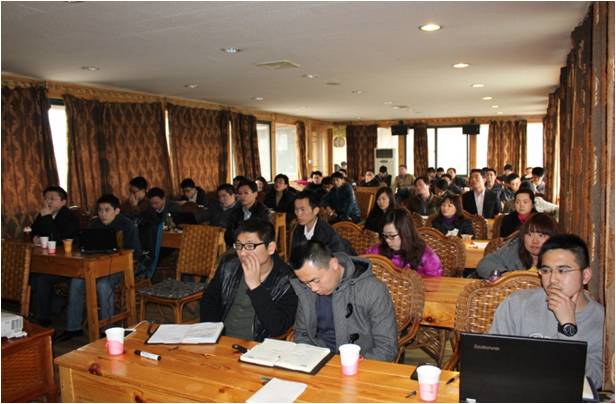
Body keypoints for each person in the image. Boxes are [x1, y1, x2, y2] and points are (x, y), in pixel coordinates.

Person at [490, 234, 604, 388]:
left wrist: (568, 328)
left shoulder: (602, 321)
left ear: (585, 276)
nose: (552, 279)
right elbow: (492, 359)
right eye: (546, 270)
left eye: (562, 271)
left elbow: (594, 381)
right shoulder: (516, 304)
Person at [289, 240, 398, 361]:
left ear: (334, 264)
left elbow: (387, 348)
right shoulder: (306, 290)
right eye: (306, 283)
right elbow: (302, 334)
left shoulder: (373, 290)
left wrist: (352, 362)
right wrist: (309, 359)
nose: (313, 288)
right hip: (318, 360)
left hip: (360, 362)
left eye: (316, 280)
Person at [55, 194, 142, 341]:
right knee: (76, 281)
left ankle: (107, 329)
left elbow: (136, 253)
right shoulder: (94, 224)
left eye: (107, 210)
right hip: (95, 266)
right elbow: (86, 246)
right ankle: (73, 327)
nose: (103, 214)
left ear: (116, 211)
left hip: (119, 268)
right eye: (100, 210)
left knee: (103, 285)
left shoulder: (127, 225)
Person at [200, 219, 298, 341]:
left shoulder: (288, 281)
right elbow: (209, 301)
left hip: (257, 345)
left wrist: (255, 287)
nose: (242, 253)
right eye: (239, 245)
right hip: (220, 339)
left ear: (270, 248)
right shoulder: (229, 266)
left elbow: (277, 327)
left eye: (250, 246)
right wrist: (213, 333)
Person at [30, 186, 80, 327]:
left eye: (52, 199)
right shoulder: (43, 214)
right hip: (47, 260)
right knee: (31, 275)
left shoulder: (70, 218)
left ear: (63, 202)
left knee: (42, 279)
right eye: (46, 199)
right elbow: (33, 230)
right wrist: (35, 237)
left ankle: (43, 320)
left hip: (66, 264)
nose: (48, 202)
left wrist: (47, 218)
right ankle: (52, 306)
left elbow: (58, 239)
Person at [476, 213, 558, 279]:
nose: (535, 241)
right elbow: (484, 264)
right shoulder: (514, 248)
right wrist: (505, 275)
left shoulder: (559, 256)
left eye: (541, 235)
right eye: (529, 234)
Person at [365, 208, 443, 276]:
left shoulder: (426, 256)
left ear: (405, 233)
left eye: (391, 235)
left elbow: (434, 282)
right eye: (385, 235)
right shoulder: (376, 251)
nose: (387, 240)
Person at [291, 190, 355, 255]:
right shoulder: (297, 229)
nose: (298, 214)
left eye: (302, 209)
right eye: (296, 209)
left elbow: (340, 257)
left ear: (316, 211)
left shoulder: (326, 233)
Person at [226, 179, 271, 245]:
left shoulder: (263, 211)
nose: (242, 196)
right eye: (240, 193)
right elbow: (228, 235)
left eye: (246, 193)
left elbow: (265, 235)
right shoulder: (235, 211)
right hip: (238, 245)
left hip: (257, 246)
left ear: (255, 194)